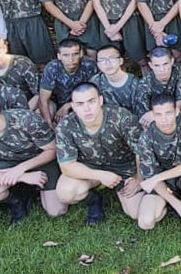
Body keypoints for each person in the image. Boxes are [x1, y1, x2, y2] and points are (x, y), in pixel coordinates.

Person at [0, 94, 62, 231]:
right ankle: (16, 199)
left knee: (56, 211)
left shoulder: (25, 119)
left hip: (39, 160)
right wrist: (22, 176)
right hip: (7, 165)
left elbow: (52, 150)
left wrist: (21, 168)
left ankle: (32, 191)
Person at [54, 82, 141, 227]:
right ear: (73, 106)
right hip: (91, 167)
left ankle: (123, 189)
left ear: (100, 100)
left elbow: (142, 152)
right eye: (80, 104)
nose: (86, 109)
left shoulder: (121, 117)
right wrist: (101, 175)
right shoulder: (66, 126)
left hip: (124, 168)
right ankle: (94, 200)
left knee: (136, 213)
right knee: (65, 192)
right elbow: (67, 166)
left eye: (91, 101)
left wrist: (138, 178)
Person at [131, 95, 181, 240]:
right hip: (164, 184)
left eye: (168, 113)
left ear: (177, 111)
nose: (164, 119)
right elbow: (150, 175)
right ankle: (172, 203)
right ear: (152, 115)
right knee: (145, 222)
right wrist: (177, 204)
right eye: (158, 114)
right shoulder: (146, 137)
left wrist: (157, 177)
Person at [38, 38, 99, 125]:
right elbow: (43, 99)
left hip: (82, 102)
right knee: (41, 116)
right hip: (56, 102)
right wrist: (49, 125)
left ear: (81, 53)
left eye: (75, 54)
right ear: (59, 56)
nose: (71, 59)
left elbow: (94, 94)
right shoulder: (52, 68)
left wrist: (69, 105)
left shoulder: (89, 65)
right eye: (66, 55)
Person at [0, 33, 41, 106]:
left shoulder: (22, 63)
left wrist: (23, 111)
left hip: (29, 105)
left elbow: (40, 93)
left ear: (5, 48)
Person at [137, 46, 181, 121]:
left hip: (175, 114)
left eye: (165, 64)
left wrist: (158, 112)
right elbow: (144, 115)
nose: (162, 69)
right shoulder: (144, 84)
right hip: (157, 119)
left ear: (172, 61)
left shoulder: (179, 71)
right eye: (157, 65)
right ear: (150, 65)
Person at [93, 44, 149, 116]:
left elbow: (142, 113)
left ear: (121, 61)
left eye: (112, 58)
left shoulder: (136, 84)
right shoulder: (95, 83)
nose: (108, 63)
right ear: (98, 65)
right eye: (102, 60)